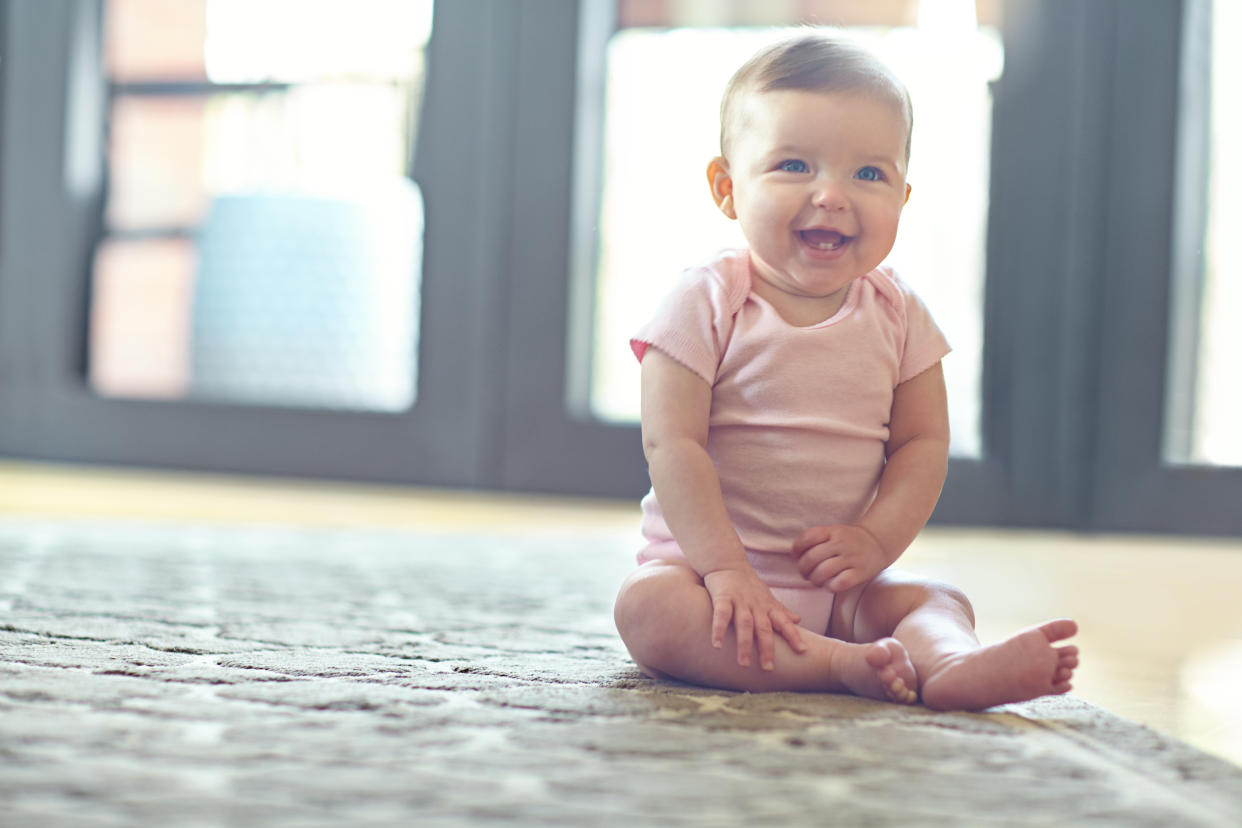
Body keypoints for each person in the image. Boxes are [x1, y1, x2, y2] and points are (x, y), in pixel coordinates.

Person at [613, 32, 1079, 710]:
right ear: (727, 188)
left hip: (840, 587)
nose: (832, 195)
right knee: (648, 611)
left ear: (903, 198)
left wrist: (874, 540)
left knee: (937, 598)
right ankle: (839, 667)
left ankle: (949, 663)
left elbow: (922, 445)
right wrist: (724, 570)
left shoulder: (898, 313)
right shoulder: (706, 300)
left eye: (868, 174)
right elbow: (671, 444)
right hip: (711, 579)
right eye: (795, 165)